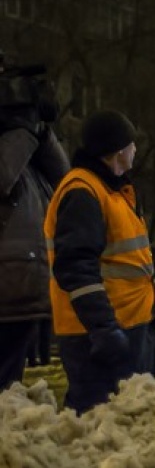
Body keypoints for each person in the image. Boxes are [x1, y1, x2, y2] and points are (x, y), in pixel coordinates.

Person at [45, 110, 155, 412]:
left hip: (126, 326)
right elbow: (76, 268)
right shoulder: (84, 192)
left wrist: (153, 325)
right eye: (132, 144)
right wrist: (103, 328)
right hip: (98, 335)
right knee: (95, 421)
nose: (135, 150)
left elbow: (129, 264)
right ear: (118, 150)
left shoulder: (114, 191)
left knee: (123, 424)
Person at [0, 89, 68, 388]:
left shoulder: (20, 149)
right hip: (9, 286)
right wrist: (23, 131)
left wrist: (41, 132)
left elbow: (63, 179)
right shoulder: (13, 146)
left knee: (9, 386)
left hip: (23, 287)